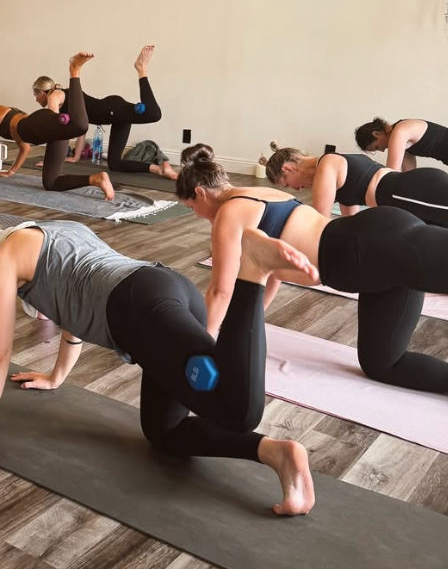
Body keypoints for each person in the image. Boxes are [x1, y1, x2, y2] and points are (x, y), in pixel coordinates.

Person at [0, 217, 315, 515]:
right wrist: (56, 376)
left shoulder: (4, 259)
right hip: (165, 289)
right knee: (163, 430)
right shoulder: (51, 228)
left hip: (140, 312)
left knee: (238, 410)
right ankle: (276, 453)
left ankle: (252, 270)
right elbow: (72, 299)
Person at [177, 143, 448, 394]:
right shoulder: (262, 193)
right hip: (369, 264)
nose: (196, 215)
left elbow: (220, 291)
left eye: (191, 207)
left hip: (368, 247)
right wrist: (251, 319)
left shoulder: (229, 213)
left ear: (200, 193)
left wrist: (205, 346)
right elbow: (268, 270)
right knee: (383, 363)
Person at [0, 53, 114, 199]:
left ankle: (74, 70)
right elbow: (25, 148)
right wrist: (10, 172)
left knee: (80, 126)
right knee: (51, 182)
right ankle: (96, 179)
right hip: (45, 132)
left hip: (33, 125)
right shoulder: (5, 117)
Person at [32, 45, 176, 179]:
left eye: (36, 95)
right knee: (115, 164)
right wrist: (75, 157)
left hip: (111, 109)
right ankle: (159, 169)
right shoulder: (63, 97)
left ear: (42, 92)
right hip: (115, 116)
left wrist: (49, 162)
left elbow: (54, 131)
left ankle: (141, 69)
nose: (36, 100)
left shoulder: (55, 95)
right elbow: (80, 127)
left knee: (153, 114)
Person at [267, 146, 448, 226]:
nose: (296, 189)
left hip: (412, 191)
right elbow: (351, 225)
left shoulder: (329, 165)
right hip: (407, 200)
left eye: (287, 184)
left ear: (288, 168)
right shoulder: (335, 179)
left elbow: (318, 222)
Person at [355, 117, 448, 172]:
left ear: (377, 133)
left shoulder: (400, 131)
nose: (383, 150)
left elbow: (391, 172)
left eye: (377, 147)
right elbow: (409, 174)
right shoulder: (403, 143)